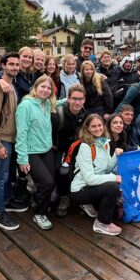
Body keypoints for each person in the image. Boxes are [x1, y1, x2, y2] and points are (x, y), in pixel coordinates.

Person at [0, 53, 27, 230]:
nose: (15, 67)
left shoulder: (11, 86)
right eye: (11, 64)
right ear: (3, 65)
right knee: (1, 177)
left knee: (8, 175)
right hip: (3, 139)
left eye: (17, 65)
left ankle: (7, 202)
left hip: (11, 137)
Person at [70, 115, 124, 236]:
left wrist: (116, 155)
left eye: (100, 125)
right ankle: (102, 223)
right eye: (93, 126)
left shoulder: (104, 142)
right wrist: (114, 178)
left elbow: (107, 168)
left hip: (95, 185)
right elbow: (90, 179)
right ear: (87, 128)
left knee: (115, 212)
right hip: (80, 189)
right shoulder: (85, 147)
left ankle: (92, 206)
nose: (98, 128)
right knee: (113, 187)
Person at [16, 75, 58, 230]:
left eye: (49, 88)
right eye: (43, 87)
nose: (46, 90)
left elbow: (58, 102)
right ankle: (39, 214)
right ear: (35, 87)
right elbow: (21, 134)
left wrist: (70, 100)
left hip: (46, 149)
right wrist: (22, 159)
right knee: (47, 182)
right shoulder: (25, 106)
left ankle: (37, 199)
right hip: (31, 151)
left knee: (49, 183)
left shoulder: (46, 103)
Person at [51, 84, 87, 217]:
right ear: (69, 99)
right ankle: (60, 195)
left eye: (80, 99)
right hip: (57, 147)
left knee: (74, 171)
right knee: (59, 170)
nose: (77, 102)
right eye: (74, 98)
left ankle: (70, 196)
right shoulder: (58, 114)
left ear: (84, 100)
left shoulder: (84, 114)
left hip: (75, 148)